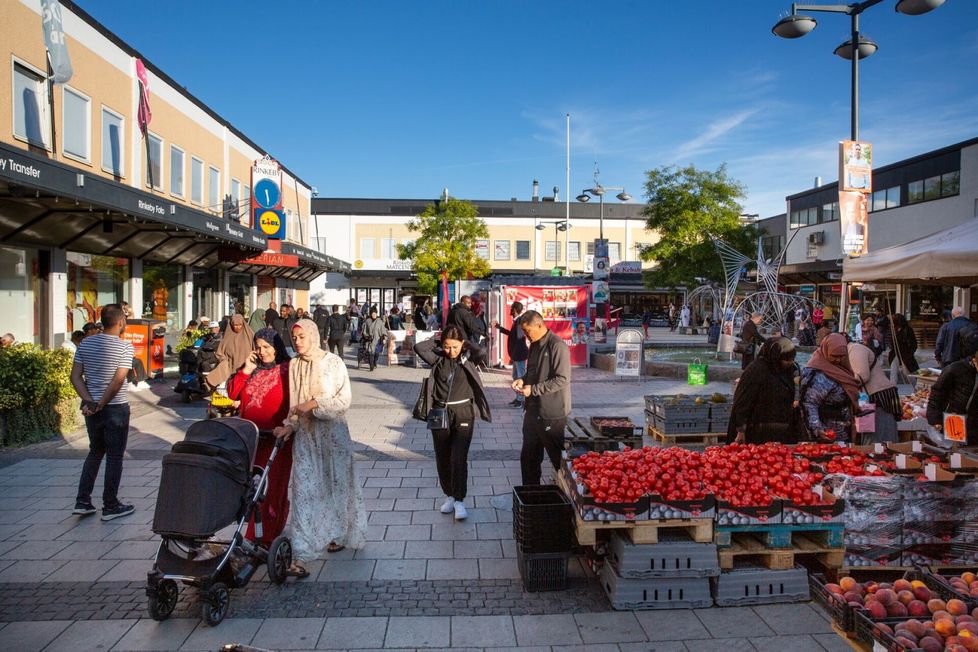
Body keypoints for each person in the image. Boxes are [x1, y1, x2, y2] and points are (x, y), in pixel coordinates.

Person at [272, 319, 367, 577]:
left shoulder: (332, 362)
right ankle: (301, 551)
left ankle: (337, 532)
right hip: (306, 436)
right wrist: (290, 425)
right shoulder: (295, 364)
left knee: (335, 484)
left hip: (332, 434)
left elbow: (343, 401)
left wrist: (314, 403)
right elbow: (294, 402)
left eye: (302, 337)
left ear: (313, 336)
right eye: (294, 338)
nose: (298, 342)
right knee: (304, 489)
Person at [414, 325, 492, 521]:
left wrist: (465, 345)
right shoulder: (438, 358)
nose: (451, 351)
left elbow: (482, 351)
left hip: (463, 412)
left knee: (458, 457)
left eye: (455, 347)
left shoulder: (468, 358)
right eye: (447, 346)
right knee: (442, 457)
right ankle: (449, 495)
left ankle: (459, 500)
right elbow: (419, 348)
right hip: (439, 412)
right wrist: (438, 340)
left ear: (461, 344)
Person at [226, 328, 292, 546]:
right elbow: (233, 393)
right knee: (253, 488)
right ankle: (267, 528)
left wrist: (290, 425)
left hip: (277, 439)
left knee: (270, 488)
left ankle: (258, 538)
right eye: (258, 347)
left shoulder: (288, 369)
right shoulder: (252, 369)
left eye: (266, 347)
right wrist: (246, 369)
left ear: (277, 348)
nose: (262, 351)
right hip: (250, 439)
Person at [69, 304, 135, 521]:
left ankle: (82, 501)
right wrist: (102, 403)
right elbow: (118, 380)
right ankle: (110, 505)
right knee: (115, 456)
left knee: (95, 452)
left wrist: (90, 401)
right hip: (115, 408)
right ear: (121, 322)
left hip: (92, 409)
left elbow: (75, 377)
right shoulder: (125, 347)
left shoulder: (85, 343)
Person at [514, 311, 571, 485]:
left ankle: (569, 493)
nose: (526, 335)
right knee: (528, 458)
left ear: (539, 325)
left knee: (558, 460)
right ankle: (530, 493)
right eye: (524, 331)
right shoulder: (533, 345)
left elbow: (562, 379)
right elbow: (532, 372)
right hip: (532, 410)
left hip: (552, 413)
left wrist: (534, 389)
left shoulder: (557, 345)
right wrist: (522, 380)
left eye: (528, 331)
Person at [728, 337, 799, 444]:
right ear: (776, 356)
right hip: (756, 430)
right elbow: (743, 401)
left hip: (780, 430)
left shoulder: (786, 370)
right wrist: (741, 430)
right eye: (787, 359)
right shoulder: (756, 370)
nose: (790, 362)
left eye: (792, 359)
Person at [800, 333, 860, 443]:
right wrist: (817, 429)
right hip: (826, 434)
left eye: (841, 356)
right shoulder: (818, 374)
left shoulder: (842, 370)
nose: (838, 360)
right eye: (834, 356)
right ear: (825, 351)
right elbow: (809, 403)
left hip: (843, 432)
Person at [849, 337, 900, 444]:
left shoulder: (856, 349)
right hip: (871, 396)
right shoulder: (850, 351)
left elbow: (862, 375)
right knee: (873, 433)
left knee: (879, 435)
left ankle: (882, 452)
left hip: (878, 396)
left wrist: (844, 382)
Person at [927, 337, 978, 445]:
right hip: (954, 419)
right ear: (974, 360)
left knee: (970, 452)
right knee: (954, 451)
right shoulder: (954, 369)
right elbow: (937, 394)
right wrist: (934, 419)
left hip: (974, 424)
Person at [492, 301, 529, 408]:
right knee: (515, 376)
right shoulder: (517, 321)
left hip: (519, 354)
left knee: (520, 377)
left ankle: (521, 400)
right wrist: (500, 328)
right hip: (516, 354)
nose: (510, 310)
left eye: (512, 308)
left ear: (515, 310)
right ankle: (518, 398)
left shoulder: (519, 321)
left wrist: (514, 354)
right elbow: (513, 335)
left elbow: (518, 338)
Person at [205, 314, 255, 389]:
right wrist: (224, 360)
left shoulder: (249, 335)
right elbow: (220, 352)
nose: (238, 327)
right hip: (231, 367)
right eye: (235, 325)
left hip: (246, 368)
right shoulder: (227, 336)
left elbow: (255, 350)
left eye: (240, 325)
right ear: (231, 325)